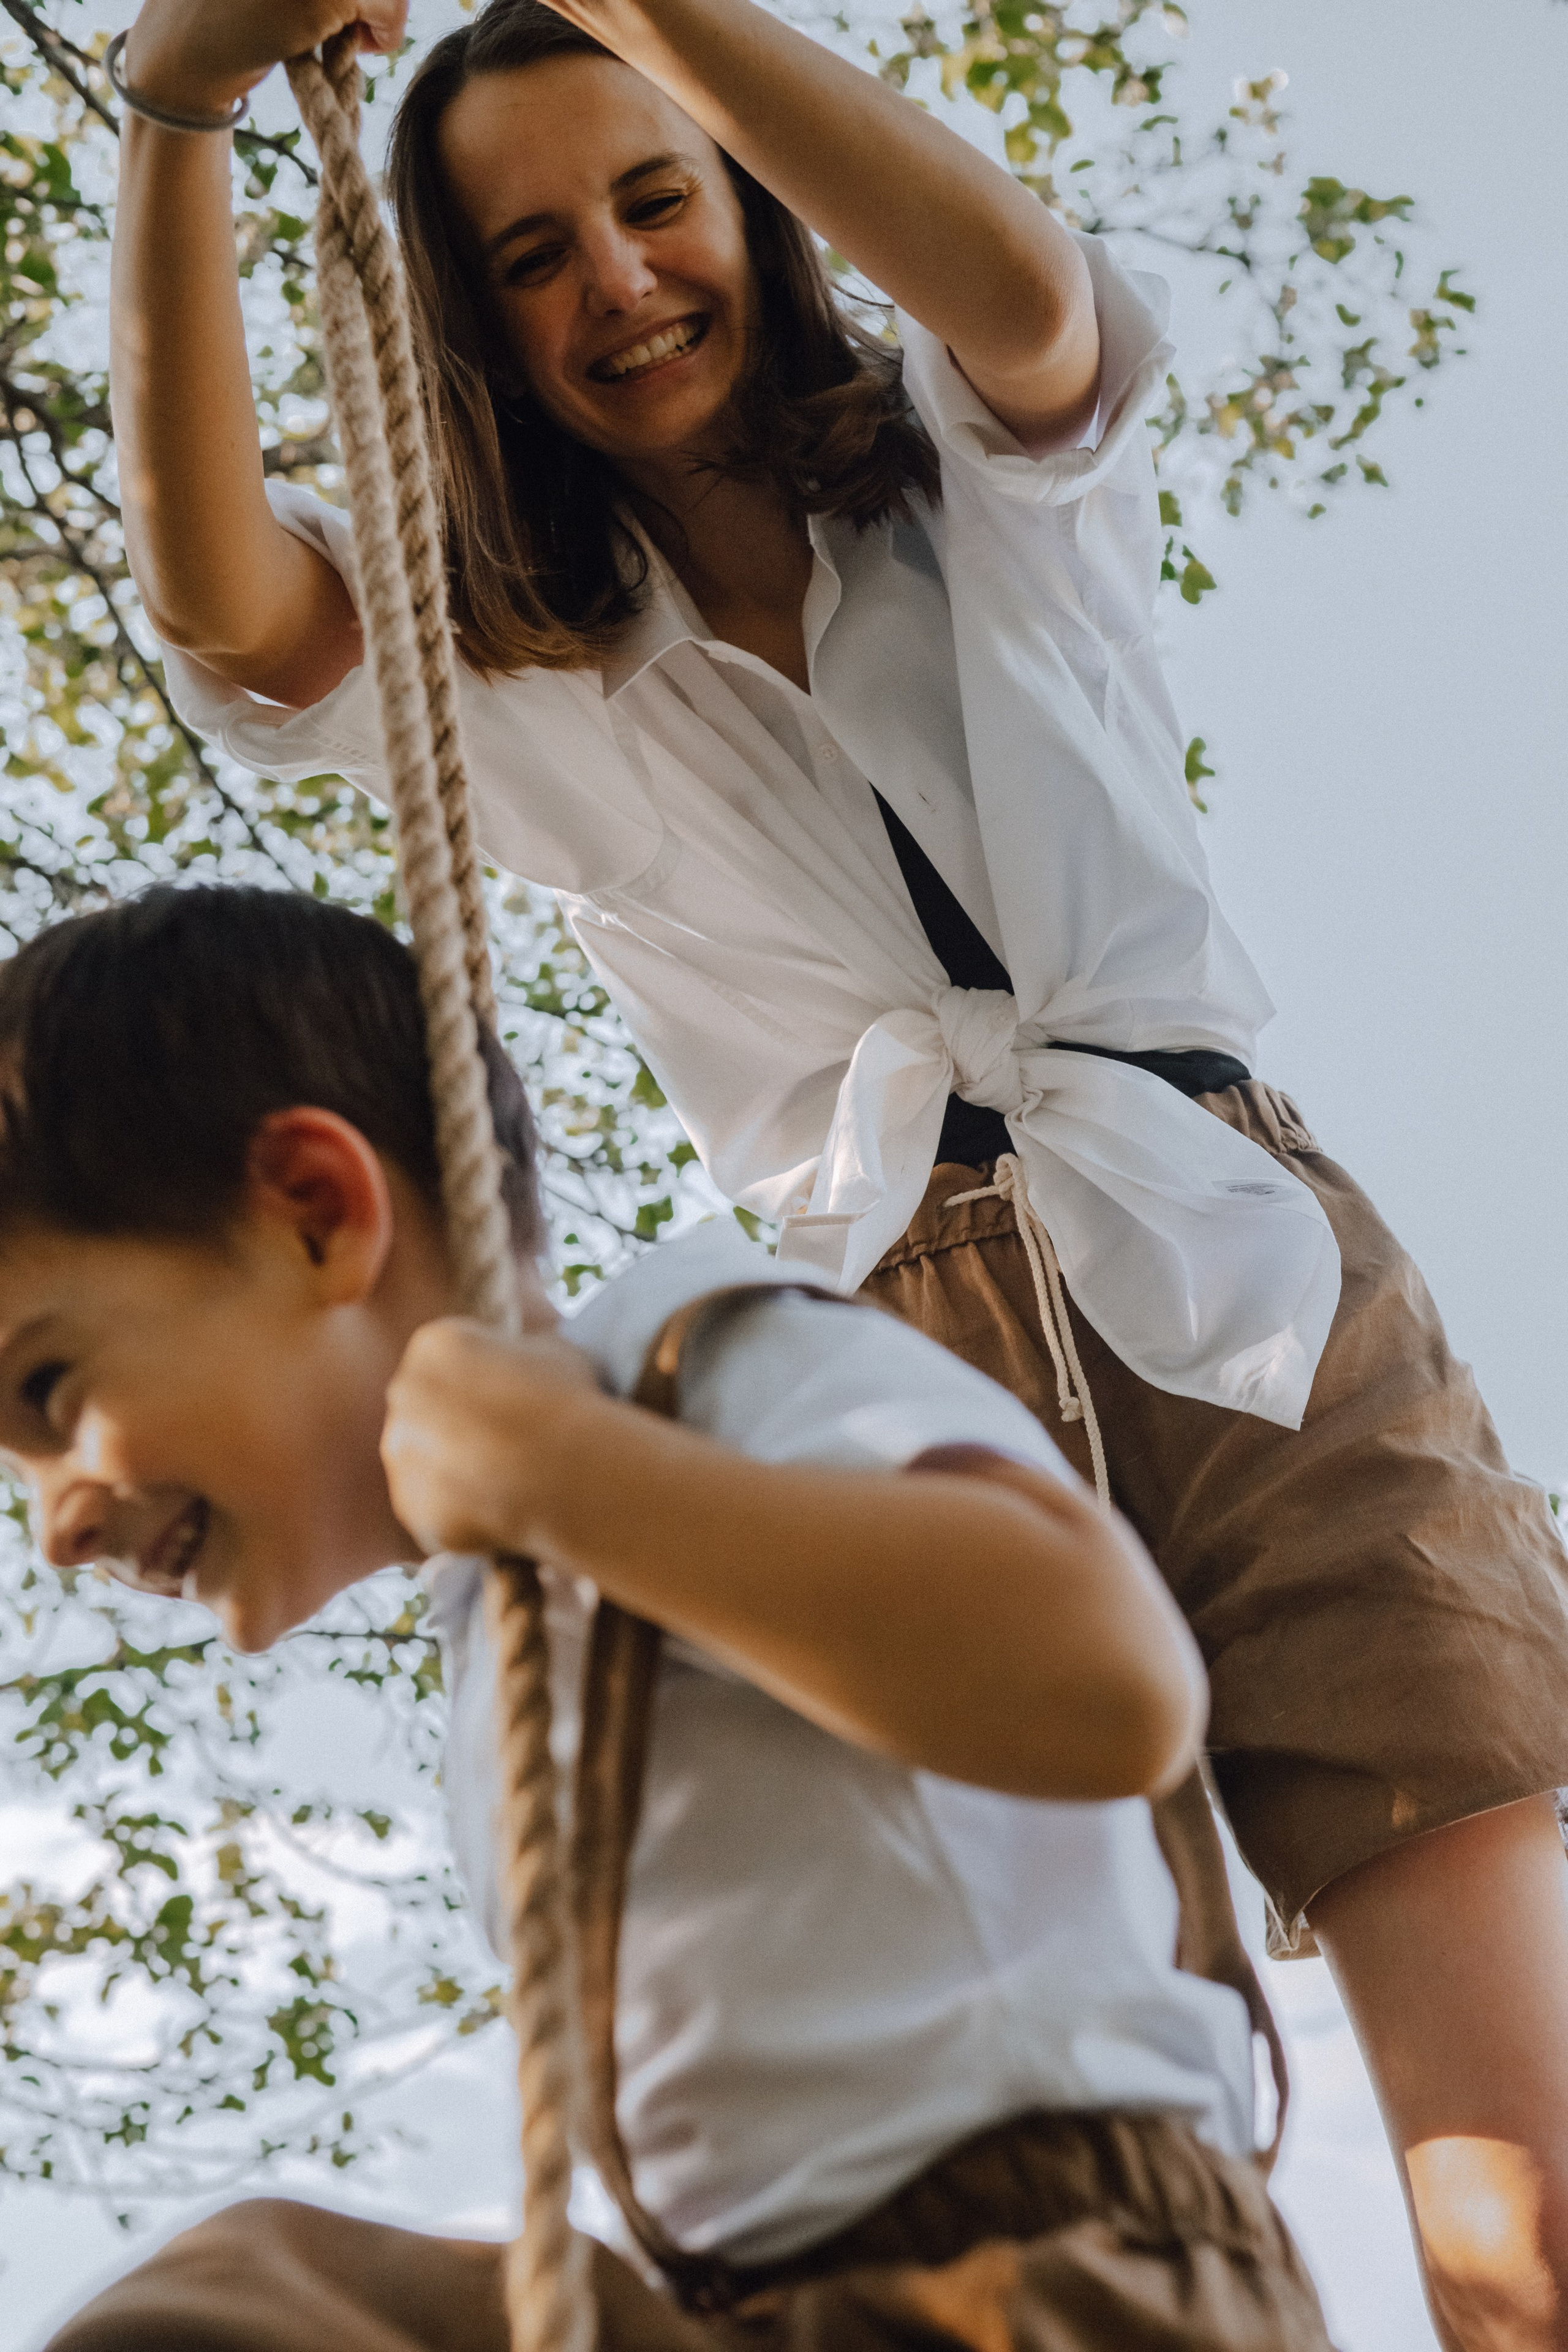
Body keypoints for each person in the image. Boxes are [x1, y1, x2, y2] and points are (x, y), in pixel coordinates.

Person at [107, 0, 1568, 2339]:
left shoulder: (993, 462)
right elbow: (224, 608)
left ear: (751, 206)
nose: (615, 284)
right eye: (532, 256)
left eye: (654, 199)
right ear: (474, 318)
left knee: (1519, 2219)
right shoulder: (514, 661)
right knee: (1101, 2164)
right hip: (900, 1391)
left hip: (1238, 1283)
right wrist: (179, 108)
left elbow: (1017, 287)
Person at [5, 883, 1335, 2351]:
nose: (54, 1524)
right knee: (247, 2301)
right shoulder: (498, 1619)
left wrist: (574, 1478)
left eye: (53, 1395)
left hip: (1041, 2280)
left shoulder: (689, 1365)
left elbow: (1108, 1682)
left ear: (317, 1215)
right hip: (764, 2305)